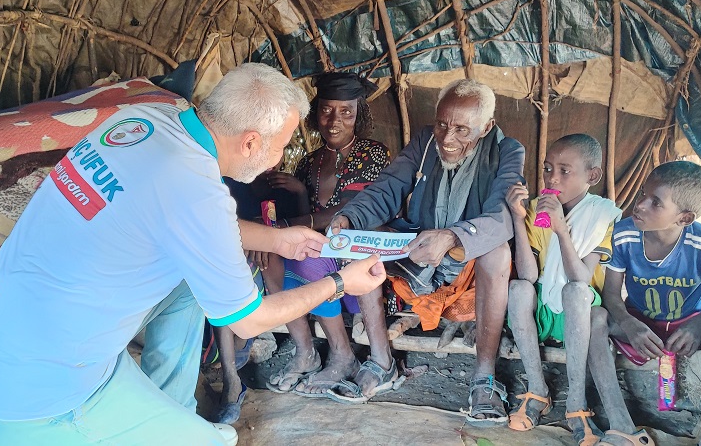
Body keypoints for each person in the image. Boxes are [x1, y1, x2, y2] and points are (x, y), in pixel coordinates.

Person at [0, 63, 387, 446]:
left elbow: (180, 222)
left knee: (184, 291)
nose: (280, 157)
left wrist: (279, 240)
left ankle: (170, 412)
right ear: (252, 143)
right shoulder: (197, 190)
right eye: (281, 145)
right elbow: (248, 319)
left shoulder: (144, 121)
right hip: (37, 399)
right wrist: (340, 282)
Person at [329, 79, 524, 425]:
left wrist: (452, 236)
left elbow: (501, 214)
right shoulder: (424, 141)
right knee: (364, 241)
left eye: (462, 130)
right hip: (417, 253)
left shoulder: (507, 151)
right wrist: (350, 217)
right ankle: (381, 362)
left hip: (468, 262)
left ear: (487, 127)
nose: (447, 139)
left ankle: (485, 377)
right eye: (442, 124)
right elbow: (389, 187)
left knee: (496, 252)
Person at [505, 134, 650, 445]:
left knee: (576, 292)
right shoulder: (534, 210)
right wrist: (519, 220)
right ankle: (537, 389)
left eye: (564, 170)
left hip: (581, 310)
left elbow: (581, 277)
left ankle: (576, 402)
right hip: (546, 308)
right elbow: (529, 275)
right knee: (517, 288)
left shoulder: (604, 215)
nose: (552, 178)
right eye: (547, 169)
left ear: (592, 176)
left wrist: (561, 230)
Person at [265, 72, 392, 397]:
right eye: (325, 110)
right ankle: (305, 352)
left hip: (366, 274)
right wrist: (297, 192)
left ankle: (341, 354)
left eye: (345, 111)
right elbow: (314, 221)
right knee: (271, 257)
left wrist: (291, 223)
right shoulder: (308, 164)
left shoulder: (373, 153)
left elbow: (347, 212)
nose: (334, 120)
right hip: (325, 268)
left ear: (358, 114)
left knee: (308, 256)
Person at [602, 161, 701, 446]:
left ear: (685, 218)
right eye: (643, 194)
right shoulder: (624, 233)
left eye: (655, 202)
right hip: (642, 324)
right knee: (593, 319)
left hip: (690, 326)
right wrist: (629, 324)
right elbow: (611, 296)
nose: (639, 205)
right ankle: (620, 423)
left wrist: (700, 324)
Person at [211, 172, 303, 424]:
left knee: (247, 272)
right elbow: (220, 225)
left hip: (271, 260)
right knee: (227, 273)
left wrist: (301, 192)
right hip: (238, 257)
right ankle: (232, 379)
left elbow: (300, 227)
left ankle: (237, 357)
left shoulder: (285, 187)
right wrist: (251, 237)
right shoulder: (229, 182)